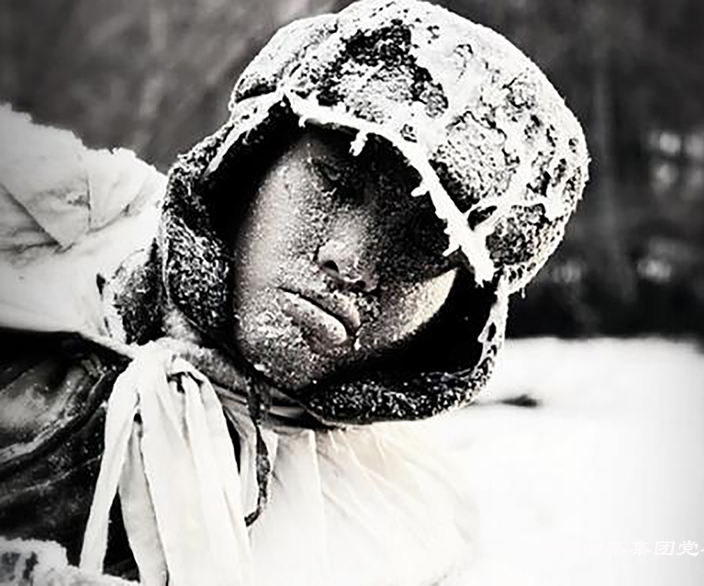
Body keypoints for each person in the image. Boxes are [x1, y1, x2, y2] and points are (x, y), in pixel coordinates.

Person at [0, 0, 588, 584]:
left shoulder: (392, 532)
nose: (351, 260)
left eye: (421, 246)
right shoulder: (47, 221)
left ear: (457, 310)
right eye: (334, 183)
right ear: (251, 161)